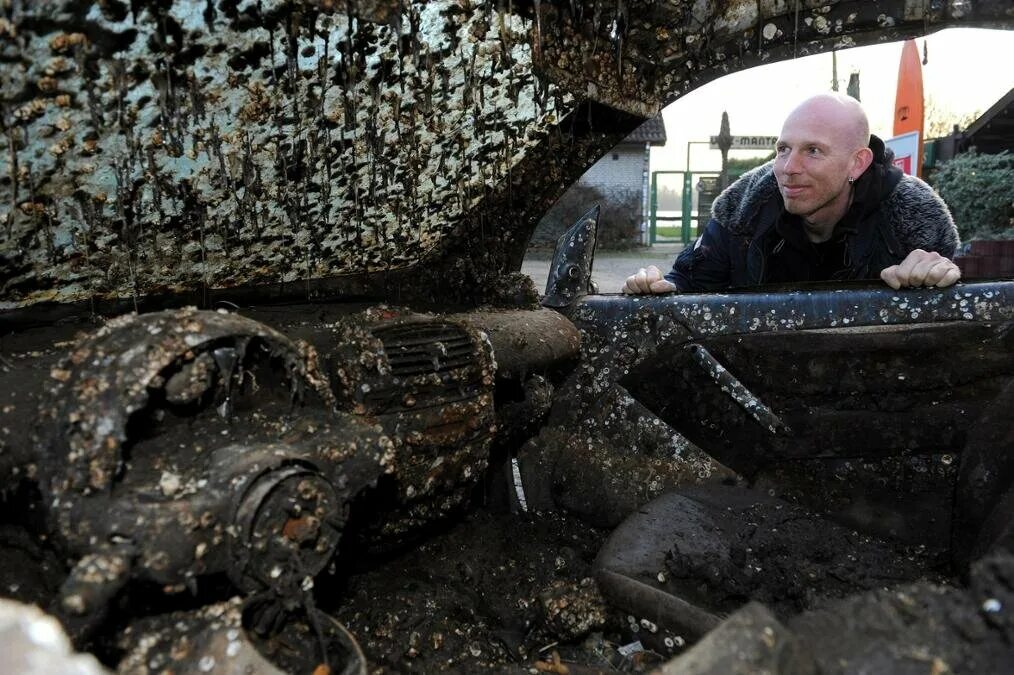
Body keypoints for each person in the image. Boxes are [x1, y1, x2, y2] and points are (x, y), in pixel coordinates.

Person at [624, 93, 961, 294]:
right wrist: (659, 288)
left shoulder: (914, 222)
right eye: (783, 149)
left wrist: (932, 279)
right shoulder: (743, 208)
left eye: (813, 150)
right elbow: (687, 281)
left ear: (857, 163)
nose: (788, 167)